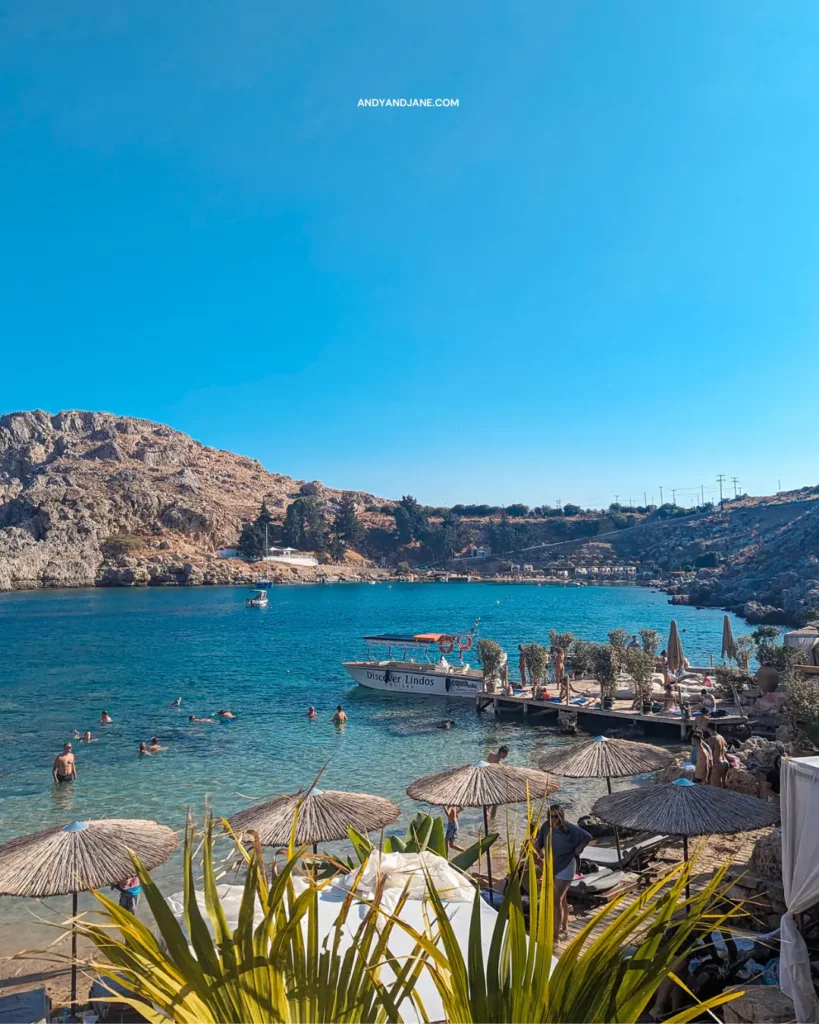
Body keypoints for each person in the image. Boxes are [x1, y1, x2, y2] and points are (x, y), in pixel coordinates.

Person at [534, 804, 591, 939]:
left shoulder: (569, 829)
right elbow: (538, 845)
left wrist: (579, 849)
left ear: (560, 817)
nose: (551, 819)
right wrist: (540, 855)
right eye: (549, 816)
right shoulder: (546, 827)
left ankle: (555, 936)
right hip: (552, 866)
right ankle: (565, 926)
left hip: (566, 866)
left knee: (555, 900)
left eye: (554, 817)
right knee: (562, 899)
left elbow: (587, 836)